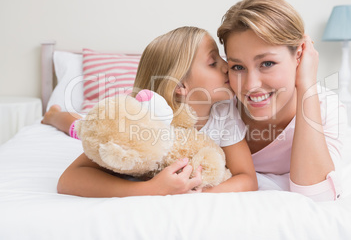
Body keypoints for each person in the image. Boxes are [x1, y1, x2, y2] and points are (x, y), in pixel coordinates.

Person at [43, 26, 258, 197]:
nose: (226, 66)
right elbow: (68, 180)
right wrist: (151, 189)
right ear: (180, 86)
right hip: (112, 123)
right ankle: (54, 115)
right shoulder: (142, 119)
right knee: (80, 127)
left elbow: (247, 177)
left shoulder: (224, 112)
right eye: (213, 62)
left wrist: (200, 193)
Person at [217, 0, 347, 201]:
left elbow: (317, 195)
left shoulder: (325, 107)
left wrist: (307, 84)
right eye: (238, 67)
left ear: (299, 55)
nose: (251, 85)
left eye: (267, 63)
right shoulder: (219, 106)